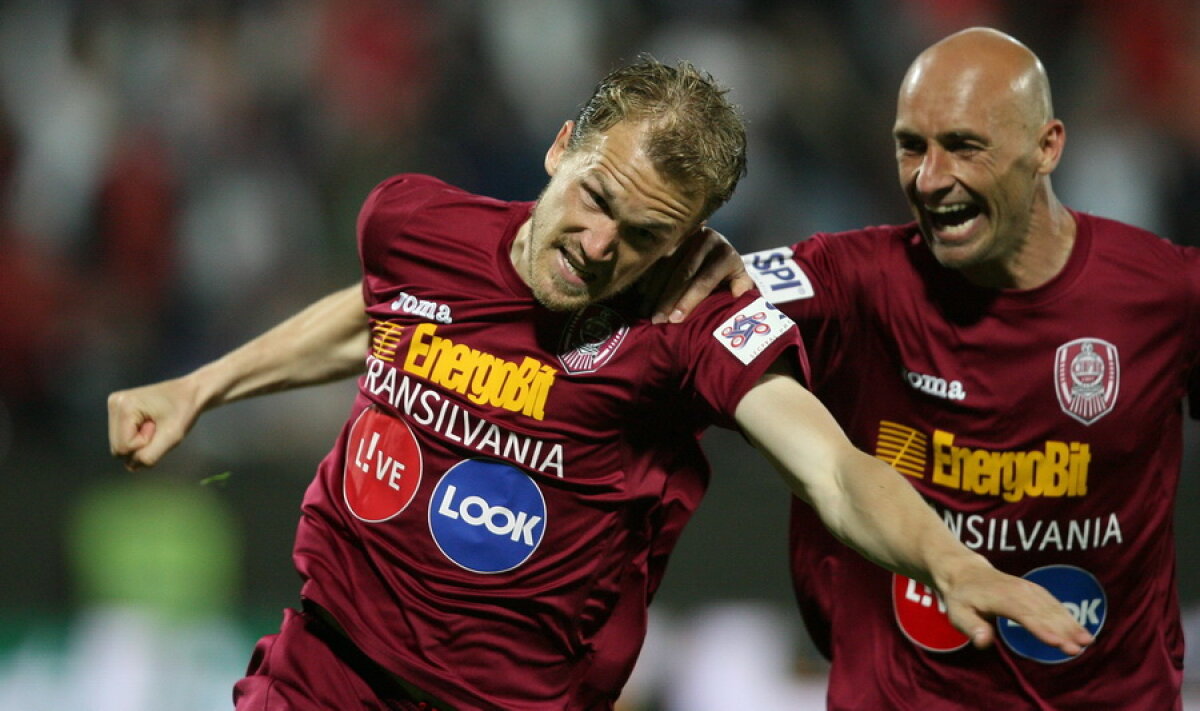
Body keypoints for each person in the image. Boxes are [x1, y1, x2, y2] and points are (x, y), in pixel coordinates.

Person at [107, 55, 1089, 710]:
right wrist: (204, 384)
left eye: (646, 235)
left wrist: (948, 559)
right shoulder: (414, 224)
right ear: (562, 144)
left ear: (691, 240)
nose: (599, 244)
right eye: (596, 198)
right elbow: (382, 309)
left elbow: (830, 467)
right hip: (318, 673)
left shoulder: (693, 330)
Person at [727, 27, 1200, 709]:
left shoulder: (1165, 295)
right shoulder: (853, 281)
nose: (929, 177)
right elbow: (701, 299)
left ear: (1047, 146)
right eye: (911, 145)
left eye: (963, 146)